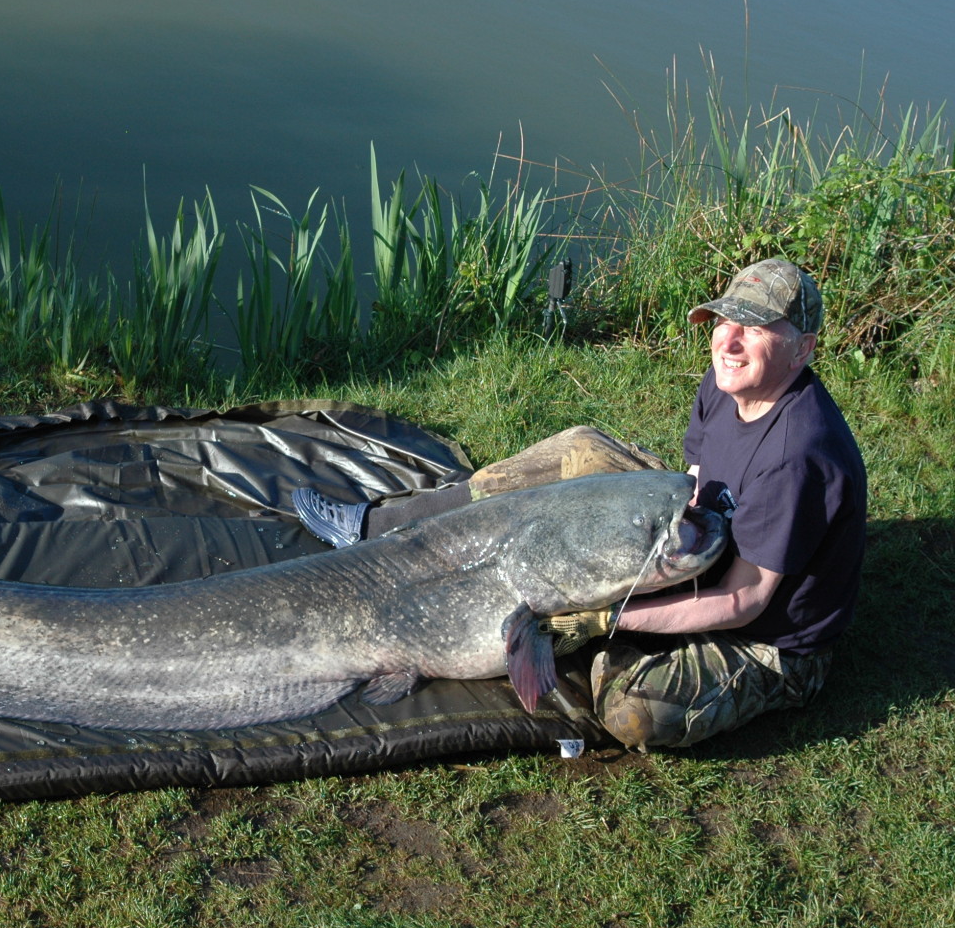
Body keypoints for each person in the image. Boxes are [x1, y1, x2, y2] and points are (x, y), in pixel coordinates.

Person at [293, 258, 867, 751]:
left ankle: (618, 650)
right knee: (582, 449)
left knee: (633, 711)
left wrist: (606, 617)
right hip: (701, 540)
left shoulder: (796, 457)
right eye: (724, 321)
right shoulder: (727, 381)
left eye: (756, 328)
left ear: (803, 350)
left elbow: (743, 600)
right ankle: (378, 525)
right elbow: (692, 478)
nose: (728, 341)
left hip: (768, 640)